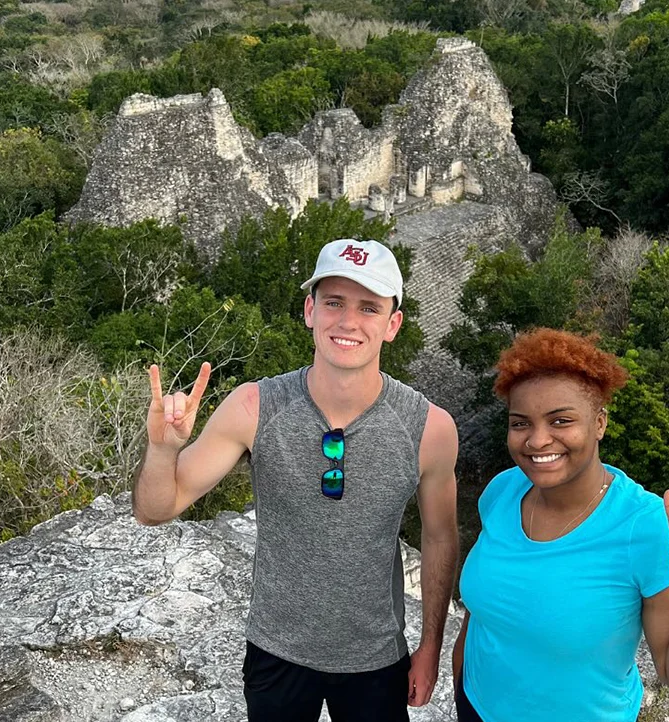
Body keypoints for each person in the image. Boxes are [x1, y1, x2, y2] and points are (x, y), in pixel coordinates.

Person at [132, 238, 460, 722]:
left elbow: (439, 537)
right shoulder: (254, 407)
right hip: (276, 650)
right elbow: (155, 509)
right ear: (310, 310)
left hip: (375, 658)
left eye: (369, 307)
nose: (348, 321)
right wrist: (163, 450)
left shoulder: (429, 428)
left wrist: (430, 645)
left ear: (392, 325)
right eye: (334, 302)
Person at [452, 328, 669, 722]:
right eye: (520, 423)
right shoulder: (503, 490)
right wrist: (460, 670)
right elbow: (484, 605)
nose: (537, 440)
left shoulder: (643, 527)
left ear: (599, 423)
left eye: (560, 420)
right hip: (476, 704)